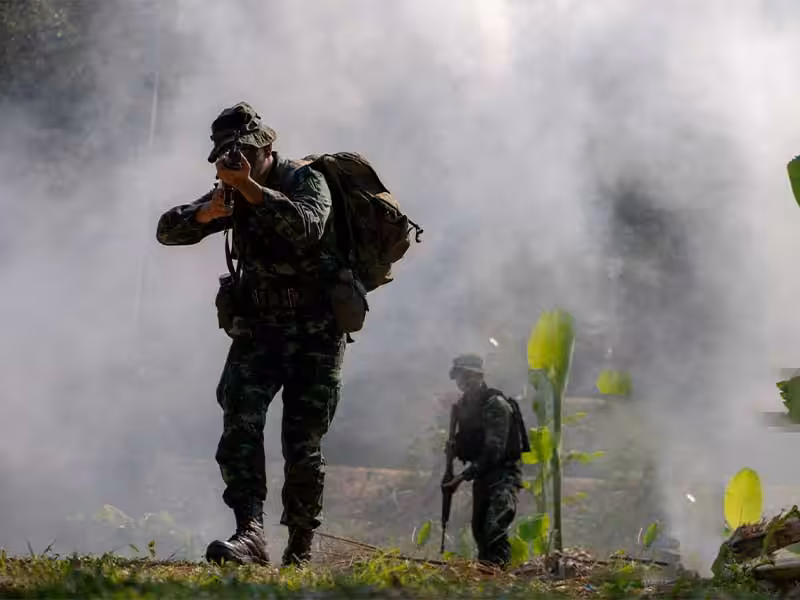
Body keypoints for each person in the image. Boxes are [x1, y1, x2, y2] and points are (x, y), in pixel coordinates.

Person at [156, 101, 346, 567]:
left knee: (302, 441)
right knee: (240, 418)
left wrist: (251, 189)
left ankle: (299, 547)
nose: (235, 163)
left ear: (267, 147)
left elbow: (307, 226)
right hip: (259, 328)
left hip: (315, 332)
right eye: (227, 156)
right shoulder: (233, 189)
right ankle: (250, 532)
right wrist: (206, 214)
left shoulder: (305, 179)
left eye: (243, 153)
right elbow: (166, 231)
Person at [441, 354, 523, 568]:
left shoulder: (495, 404)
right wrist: (453, 448)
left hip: (503, 476)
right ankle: (487, 580)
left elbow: (494, 451)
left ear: (480, 376)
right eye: (460, 377)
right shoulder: (464, 407)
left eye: (469, 376)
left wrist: (461, 477)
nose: (464, 382)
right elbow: (470, 442)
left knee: (494, 529)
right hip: (483, 477)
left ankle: (500, 580)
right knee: (479, 531)